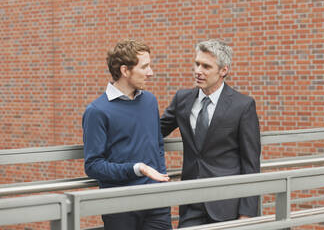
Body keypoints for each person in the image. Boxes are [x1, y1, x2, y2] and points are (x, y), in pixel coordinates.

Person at [160, 39, 261, 227]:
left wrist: (247, 213)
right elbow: (155, 131)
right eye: (197, 64)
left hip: (227, 203)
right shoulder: (182, 99)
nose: (198, 71)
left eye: (206, 66)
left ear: (224, 70)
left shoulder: (243, 106)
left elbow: (251, 164)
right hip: (191, 202)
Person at [82, 39, 172, 230]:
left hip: (156, 202)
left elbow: (158, 146)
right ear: (125, 71)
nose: (151, 72)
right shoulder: (97, 111)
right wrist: (136, 168)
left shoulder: (150, 101)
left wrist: (160, 179)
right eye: (145, 67)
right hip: (119, 205)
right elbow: (93, 165)